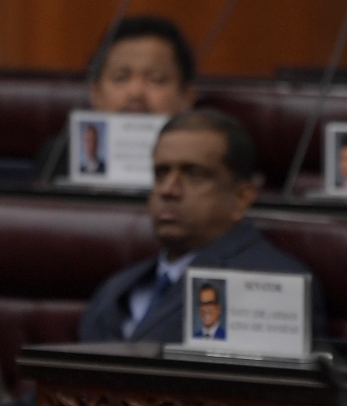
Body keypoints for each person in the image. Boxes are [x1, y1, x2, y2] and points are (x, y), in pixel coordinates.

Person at [79, 108, 327, 343]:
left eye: (194, 174)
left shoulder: (277, 286)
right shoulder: (117, 287)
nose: (168, 190)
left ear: (241, 198)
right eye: (161, 173)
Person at [37, 16, 197, 180]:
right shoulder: (60, 156)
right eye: (121, 78)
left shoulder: (202, 161)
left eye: (156, 79)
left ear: (187, 97)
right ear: (96, 94)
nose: (136, 92)